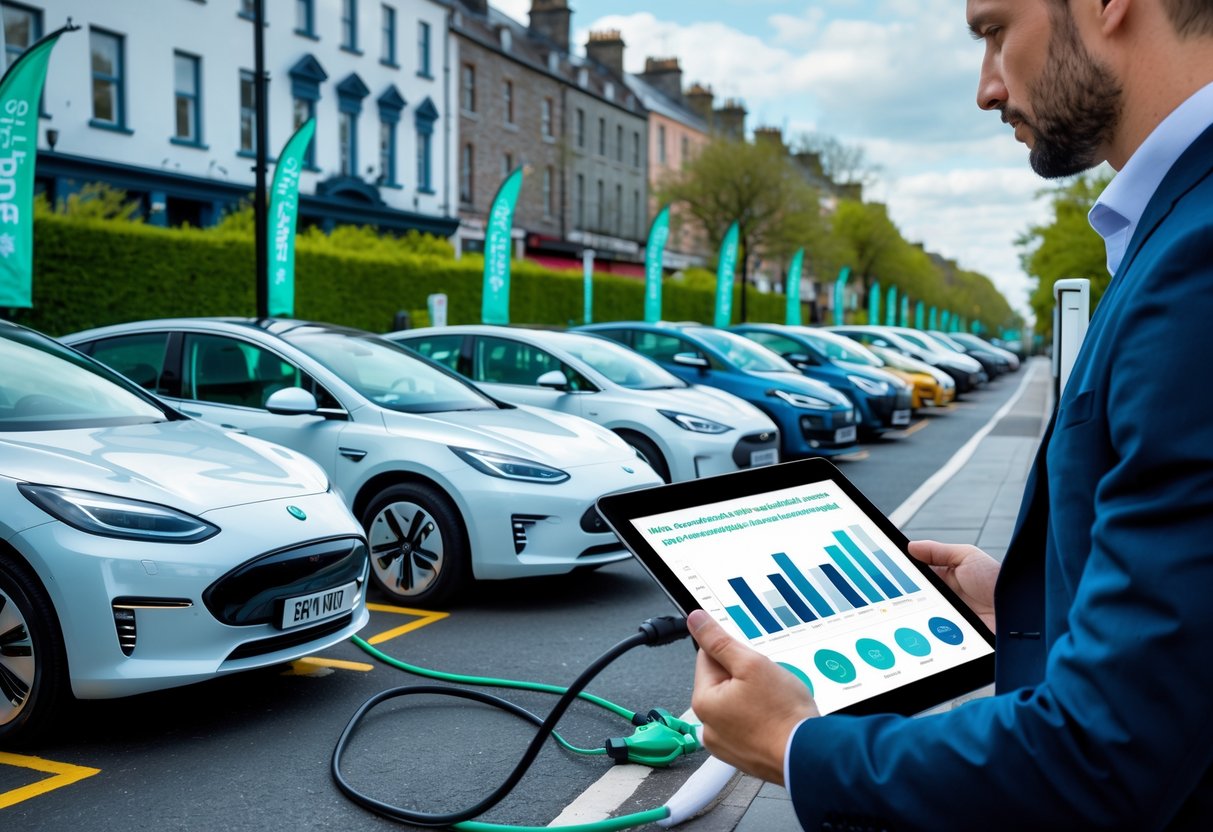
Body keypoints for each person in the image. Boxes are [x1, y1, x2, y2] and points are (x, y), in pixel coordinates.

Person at [687, 0, 1213, 828]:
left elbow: (1106, 754)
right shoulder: (1176, 227)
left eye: (994, 30)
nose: (984, 88)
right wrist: (1036, 605)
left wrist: (795, 745)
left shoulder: (1196, 257)